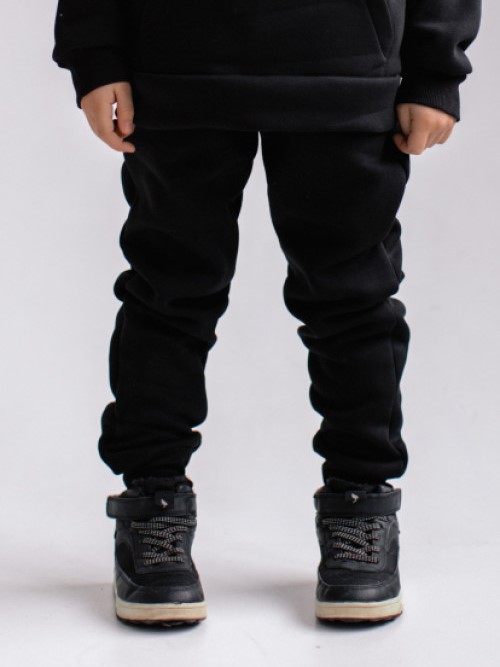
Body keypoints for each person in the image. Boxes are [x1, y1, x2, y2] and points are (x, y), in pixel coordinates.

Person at [52, 0, 481, 625]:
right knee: (169, 296)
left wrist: (435, 70)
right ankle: (153, 504)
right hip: (176, 70)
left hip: (347, 69)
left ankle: (360, 503)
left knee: (354, 300)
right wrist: (96, 55)